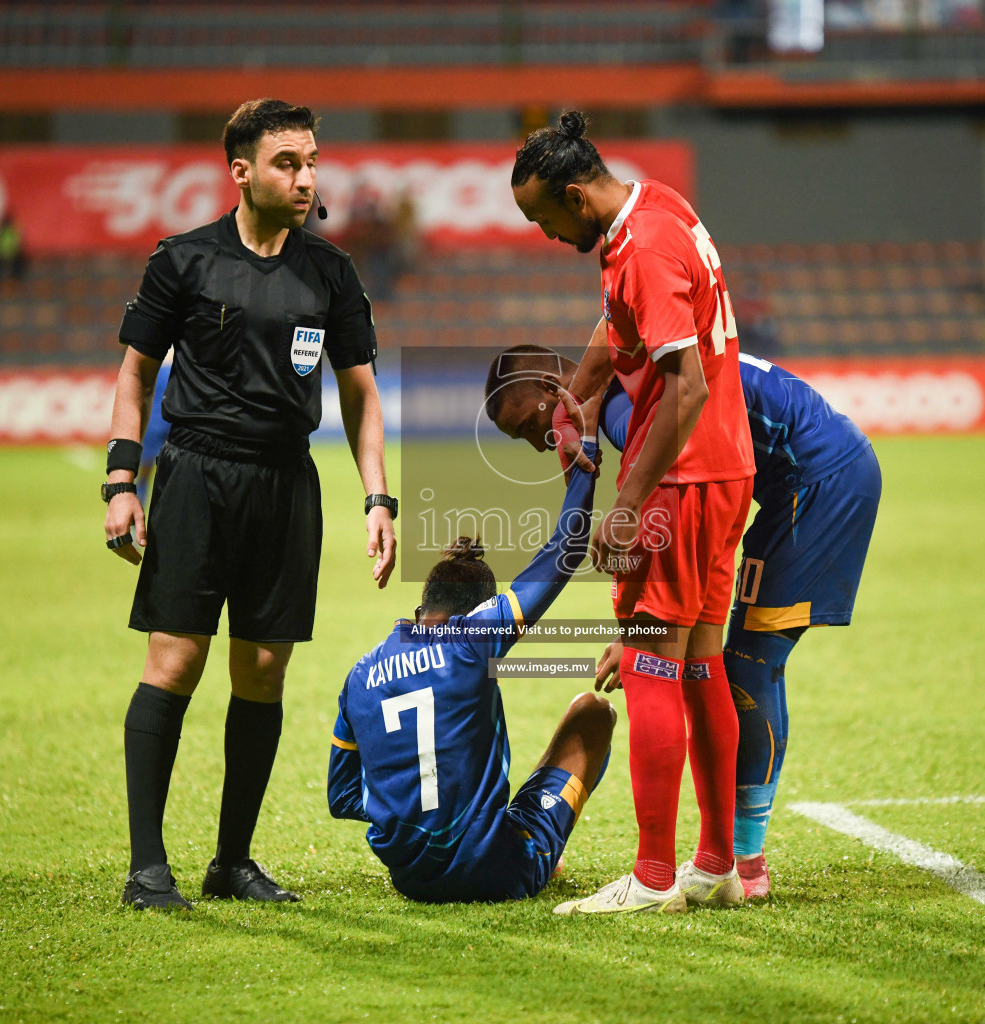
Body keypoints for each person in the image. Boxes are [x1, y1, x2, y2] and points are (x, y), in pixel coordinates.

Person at [102, 98, 398, 911]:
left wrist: (379, 499)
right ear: (241, 172)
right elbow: (134, 374)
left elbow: (363, 397)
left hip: (286, 482)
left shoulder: (331, 272)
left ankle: (231, 861)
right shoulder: (183, 261)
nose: (306, 178)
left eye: (311, 163)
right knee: (176, 661)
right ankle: (145, 867)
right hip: (196, 476)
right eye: (287, 164)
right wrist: (122, 482)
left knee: (262, 671)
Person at [485, 344, 881, 899]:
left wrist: (642, 626)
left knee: (747, 662)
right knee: (718, 662)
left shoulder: (626, 405)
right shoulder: (624, 381)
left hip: (818, 479)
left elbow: (671, 500)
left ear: (554, 389)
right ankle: (725, 860)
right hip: (784, 480)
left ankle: (736, 863)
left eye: (530, 423)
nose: (538, 441)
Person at [509, 111, 755, 914]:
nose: (544, 235)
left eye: (544, 219)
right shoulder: (657, 210)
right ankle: (715, 865)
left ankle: (654, 880)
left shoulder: (642, 246)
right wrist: (578, 395)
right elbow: (619, 326)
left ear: (577, 197)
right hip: (723, 468)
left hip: (679, 479)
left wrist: (628, 503)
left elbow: (683, 384)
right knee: (700, 661)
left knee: (651, 661)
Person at [327, 435, 616, 903]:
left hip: (411, 882)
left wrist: (407, 802)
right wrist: (584, 456)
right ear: (478, 612)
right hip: (497, 873)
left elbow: (342, 799)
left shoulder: (360, 675)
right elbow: (565, 549)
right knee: (593, 712)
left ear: (421, 610)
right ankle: (543, 848)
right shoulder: (474, 639)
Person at [135, 352, 173, 506]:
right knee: (174, 476)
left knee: (144, 474)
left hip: (154, 423)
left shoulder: (152, 354)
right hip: (170, 423)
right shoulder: (180, 356)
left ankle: (135, 523)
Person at [0, 212, 27, 284]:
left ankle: (16, 279)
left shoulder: (13, 231)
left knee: (21, 262)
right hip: (0, 254)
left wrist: (13, 252)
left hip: (13, 253)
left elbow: (18, 243)